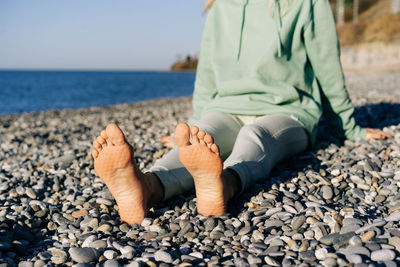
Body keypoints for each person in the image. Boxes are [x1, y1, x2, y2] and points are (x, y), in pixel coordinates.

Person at [91, 0, 391, 224]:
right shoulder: (221, 5)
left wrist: (347, 128)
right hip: (227, 106)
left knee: (256, 135)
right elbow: (207, 71)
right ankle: (147, 187)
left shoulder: (308, 2)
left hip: (288, 110)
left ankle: (224, 183)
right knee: (204, 137)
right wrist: (192, 129)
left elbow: (327, 66)